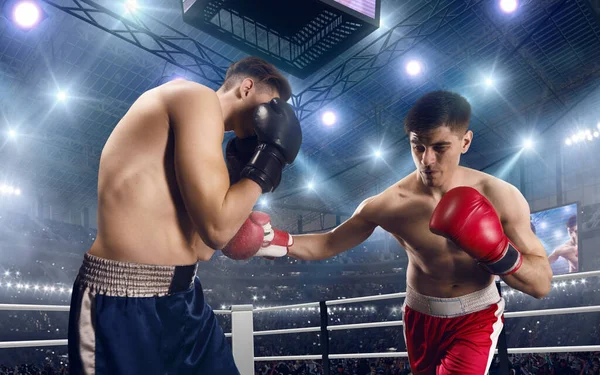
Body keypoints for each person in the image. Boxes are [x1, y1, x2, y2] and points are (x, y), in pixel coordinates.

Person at [223, 91, 553, 375]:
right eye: (418, 147)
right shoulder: (390, 203)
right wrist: (272, 239)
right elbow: (329, 242)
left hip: (476, 316)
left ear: (465, 141)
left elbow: (540, 283)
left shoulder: (500, 196)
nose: (427, 160)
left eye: (440, 147)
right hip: (420, 315)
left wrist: (497, 252)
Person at [67, 56, 302, 375]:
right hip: (121, 299)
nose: (277, 115)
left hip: (184, 297)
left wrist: (242, 170)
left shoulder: (210, 146)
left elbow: (205, 249)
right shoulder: (194, 97)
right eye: (273, 102)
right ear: (246, 87)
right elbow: (218, 230)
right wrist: (271, 157)